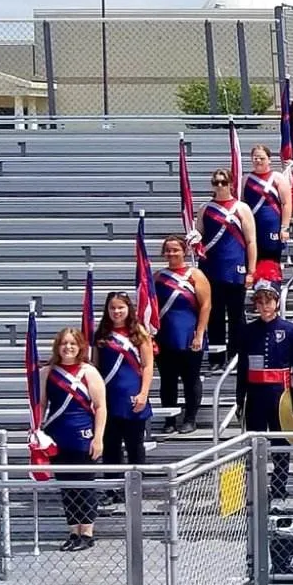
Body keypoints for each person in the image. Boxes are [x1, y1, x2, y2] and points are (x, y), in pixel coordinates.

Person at [39, 328, 104, 551]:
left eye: (72, 344)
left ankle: (87, 531)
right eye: (64, 343)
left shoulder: (88, 372)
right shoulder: (48, 371)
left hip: (82, 435)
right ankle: (73, 531)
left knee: (84, 484)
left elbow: (100, 406)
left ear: (80, 347)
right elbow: (41, 404)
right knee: (66, 485)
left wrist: (99, 438)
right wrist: (37, 432)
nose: (68, 347)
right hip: (58, 435)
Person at [240, 282, 293, 498]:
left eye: (268, 301)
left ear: (277, 302)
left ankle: (279, 486)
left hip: (281, 394)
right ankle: (257, 487)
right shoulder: (248, 331)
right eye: (259, 302)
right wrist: (240, 397)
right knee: (255, 441)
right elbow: (243, 366)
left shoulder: (291, 330)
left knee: (281, 442)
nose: (264, 306)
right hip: (256, 395)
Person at [197, 168, 257, 375]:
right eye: (216, 182)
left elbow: (250, 241)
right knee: (214, 315)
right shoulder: (205, 208)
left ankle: (237, 354)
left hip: (234, 268)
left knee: (236, 315)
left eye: (223, 182)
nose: (220, 186)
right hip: (211, 268)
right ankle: (216, 357)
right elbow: (200, 235)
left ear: (231, 183)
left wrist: (251, 270)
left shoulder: (241, 208)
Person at [153, 234, 211, 434]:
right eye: (167, 250)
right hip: (165, 335)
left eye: (175, 249)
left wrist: (199, 334)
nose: (171, 253)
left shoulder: (195, 275)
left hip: (189, 334)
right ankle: (169, 420)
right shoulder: (158, 277)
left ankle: (190, 418)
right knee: (167, 380)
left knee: (190, 378)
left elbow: (205, 306)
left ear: (184, 251)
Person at [93, 292, 154, 471]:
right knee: (111, 446)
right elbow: (95, 367)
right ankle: (112, 490)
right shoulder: (101, 334)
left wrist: (143, 394)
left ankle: (137, 489)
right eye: (112, 308)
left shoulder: (139, 332)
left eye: (121, 307)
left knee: (135, 446)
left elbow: (148, 365)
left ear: (129, 308)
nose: (116, 311)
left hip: (132, 396)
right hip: (108, 397)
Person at [242, 146, 293, 284]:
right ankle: (258, 295)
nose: (258, 161)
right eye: (255, 158)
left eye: (262, 158)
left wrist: (284, 227)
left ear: (269, 160)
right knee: (254, 258)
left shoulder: (277, 177)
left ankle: (272, 293)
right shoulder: (246, 179)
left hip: (272, 226)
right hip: (253, 226)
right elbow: (242, 204)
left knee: (272, 260)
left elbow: (286, 203)